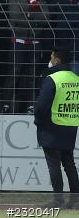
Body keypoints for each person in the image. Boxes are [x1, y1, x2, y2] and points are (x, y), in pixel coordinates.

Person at [34, 47, 79, 208]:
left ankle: (58, 201)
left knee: (54, 165)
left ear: (57, 60)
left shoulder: (52, 78)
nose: (50, 59)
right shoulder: (75, 78)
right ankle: (75, 201)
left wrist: (39, 121)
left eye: (52, 56)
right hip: (71, 125)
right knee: (69, 164)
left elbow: (41, 106)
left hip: (52, 126)